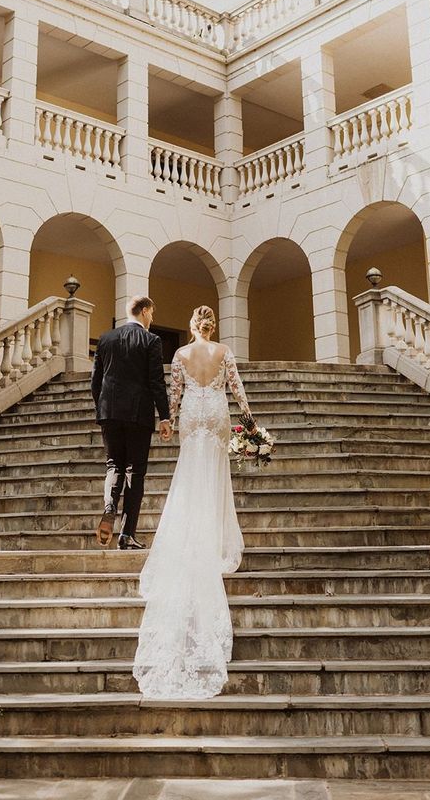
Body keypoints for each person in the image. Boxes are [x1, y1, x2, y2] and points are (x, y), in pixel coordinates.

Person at [133, 304, 255, 699]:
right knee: (216, 475)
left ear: (191, 327)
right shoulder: (224, 352)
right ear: (212, 326)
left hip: (192, 416)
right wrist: (249, 421)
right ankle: (215, 536)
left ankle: (191, 533)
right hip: (217, 414)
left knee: (189, 471)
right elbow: (236, 388)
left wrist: (168, 420)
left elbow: (175, 393)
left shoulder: (180, 355)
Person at [90, 295, 171, 550]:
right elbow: (156, 382)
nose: (152, 318)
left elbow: (96, 380)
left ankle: (109, 505)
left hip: (109, 411)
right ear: (145, 311)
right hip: (138, 414)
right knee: (135, 471)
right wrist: (165, 416)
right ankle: (126, 534)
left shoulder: (105, 339)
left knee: (114, 464)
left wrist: (101, 406)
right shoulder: (151, 340)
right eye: (152, 313)